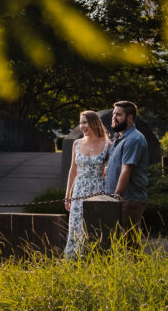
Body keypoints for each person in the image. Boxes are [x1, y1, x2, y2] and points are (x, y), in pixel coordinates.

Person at [64, 110, 109, 258]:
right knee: (76, 226)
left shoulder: (108, 144)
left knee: (95, 226)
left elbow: (111, 170)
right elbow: (73, 169)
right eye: (80, 122)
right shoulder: (76, 143)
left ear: (94, 123)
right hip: (79, 190)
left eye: (85, 122)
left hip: (98, 190)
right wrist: (68, 194)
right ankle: (73, 260)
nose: (81, 126)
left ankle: (94, 259)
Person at [104, 100, 149, 241]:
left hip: (128, 201)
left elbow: (126, 170)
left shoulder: (134, 139)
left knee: (129, 244)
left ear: (130, 118)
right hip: (115, 200)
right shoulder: (120, 137)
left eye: (119, 115)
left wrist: (116, 196)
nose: (114, 118)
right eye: (113, 114)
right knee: (116, 244)